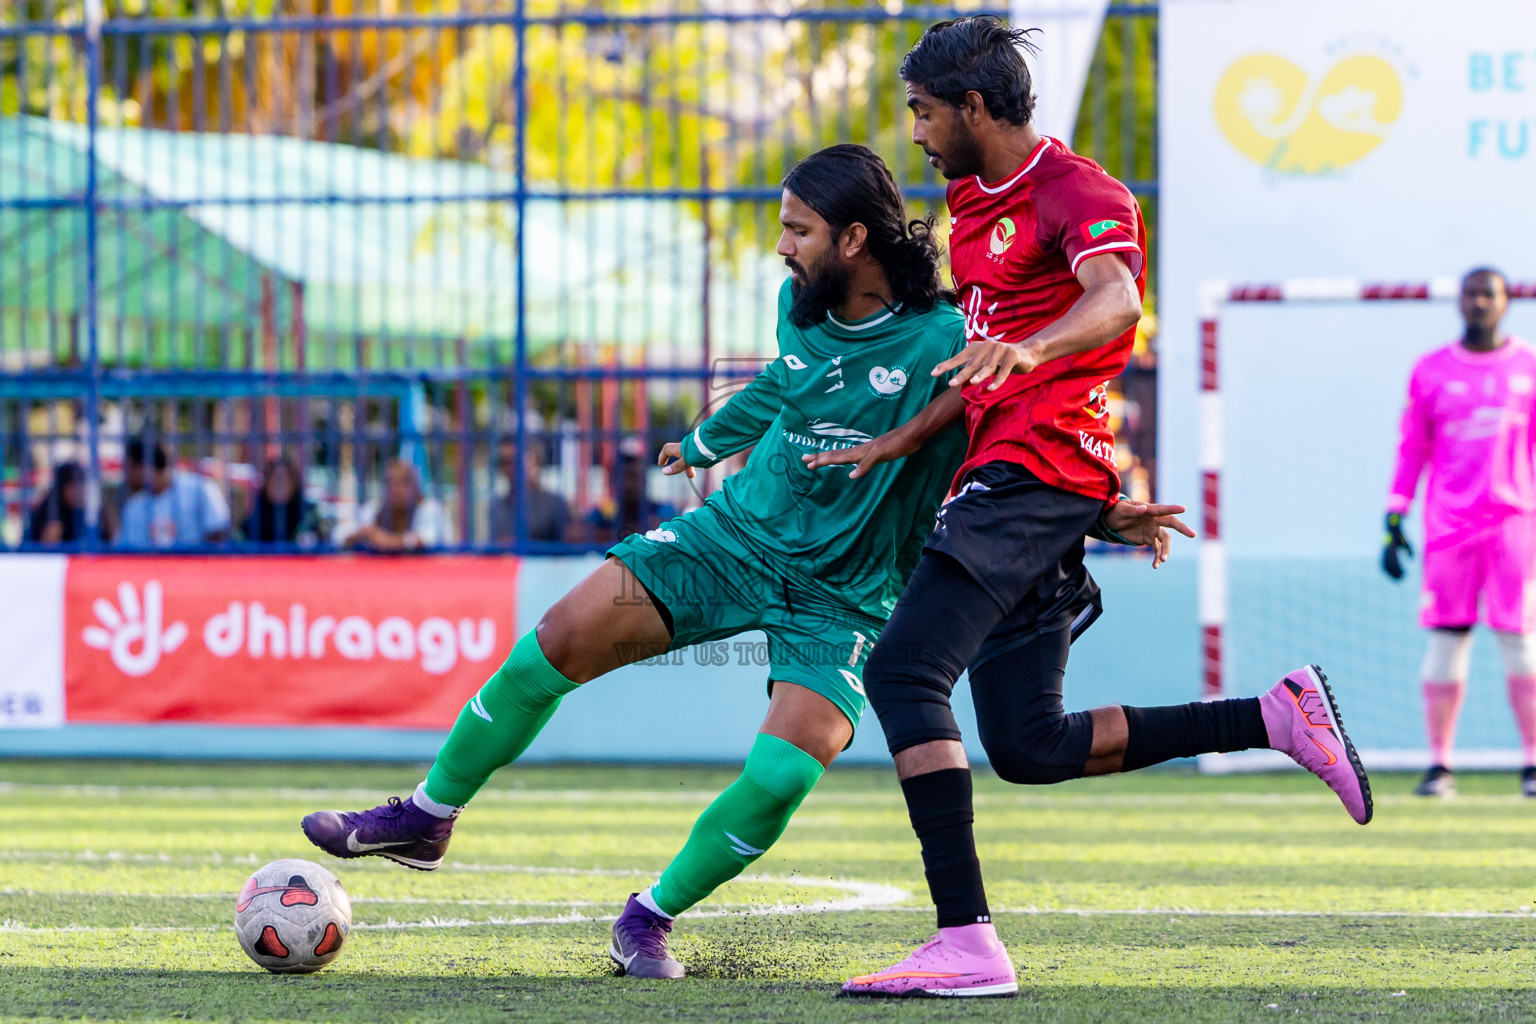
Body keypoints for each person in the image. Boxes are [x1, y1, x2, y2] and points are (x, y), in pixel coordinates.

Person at [297, 144, 1188, 981]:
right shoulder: (796, 307)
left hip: (848, 594)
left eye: (798, 230)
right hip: (737, 541)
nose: (782, 246)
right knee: (558, 640)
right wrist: (706, 437)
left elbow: (1002, 442)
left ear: (854, 239)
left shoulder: (946, 339)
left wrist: (1102, 510)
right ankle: (426, 815)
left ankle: (648, 915)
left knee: (782, 774)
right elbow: (783, 381)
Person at [802, 19, 1371, 998]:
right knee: (1029, 742)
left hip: (1033, 472)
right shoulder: (972, 202)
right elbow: (987, 359)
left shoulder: (1083, 194)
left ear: (976, 107)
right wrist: (912, 440)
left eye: (926, 112)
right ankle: (1274, 717)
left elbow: (1113, 305)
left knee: (903, 671)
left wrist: (1034, 363)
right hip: (1039, 480)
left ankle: (967, 940)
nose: (920, 132)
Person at [1382, 268, 1536, 799]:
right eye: (1471, 293)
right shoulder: (1431, 371)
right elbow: (1412, 447)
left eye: (1488, 294)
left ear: (1505, 302)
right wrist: (1395, 513)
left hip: (1516, 524)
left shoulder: (1529, 366)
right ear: (1460, 302)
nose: (1479, 302)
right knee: (1448, 640)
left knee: (1521, 642)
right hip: (1449, 527)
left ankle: (1533, 765)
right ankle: (1440, 766)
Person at [117, 439, 231, 548]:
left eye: (128, 468)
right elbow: (129, 550)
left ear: (144, 466)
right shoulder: (134, 507)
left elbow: (217, 532)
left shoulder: (199, 489)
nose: (126, 477)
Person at [339, 459, 452, 551]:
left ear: (415, 486)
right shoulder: (374, 508)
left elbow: (427, 539)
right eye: (389, 482)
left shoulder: (429, 508)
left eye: (404, 482)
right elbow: (340, 535)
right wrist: (363, 533)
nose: (395, 489)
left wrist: (388, 541)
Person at [489, 441, 572, 544]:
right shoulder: (497, 506)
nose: (510, 468)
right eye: (503, 462)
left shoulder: (555, 503)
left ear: (535, 462)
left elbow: (566, 550)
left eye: (516, 461)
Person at [243, 455, 319, 546]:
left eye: (285, 480)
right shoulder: (256, 514)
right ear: (266, 484)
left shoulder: (307, 514)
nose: (280, 485)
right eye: (276, 480)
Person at [28, 462, 93, 545]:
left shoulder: (87, 512)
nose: (80, 491)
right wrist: (46, 543)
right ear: (62, 487)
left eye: (82, 485)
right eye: (74, 486)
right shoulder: (47, 512)